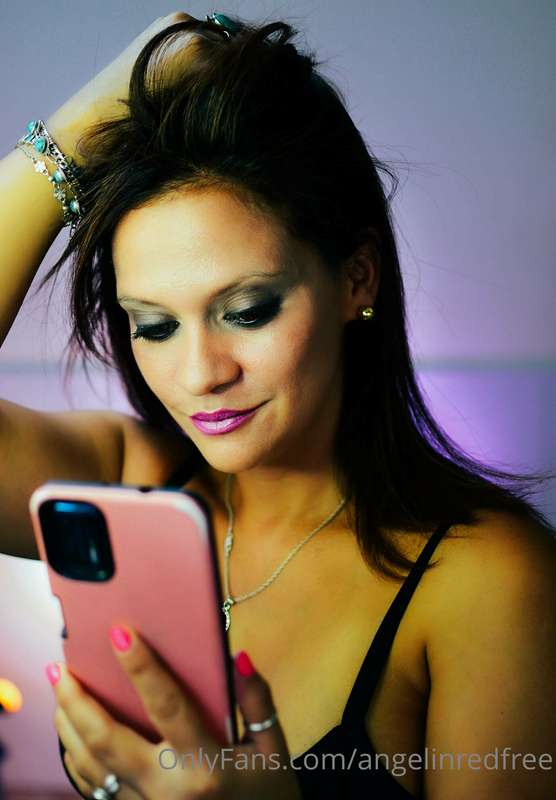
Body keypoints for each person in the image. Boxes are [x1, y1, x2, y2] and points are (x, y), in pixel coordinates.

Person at [1, 10, 555, 800]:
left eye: (248, 310)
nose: (200, 373)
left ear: (356, 278)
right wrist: (75, 132)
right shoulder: (125, 484)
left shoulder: (488, 579)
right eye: (154, 325)